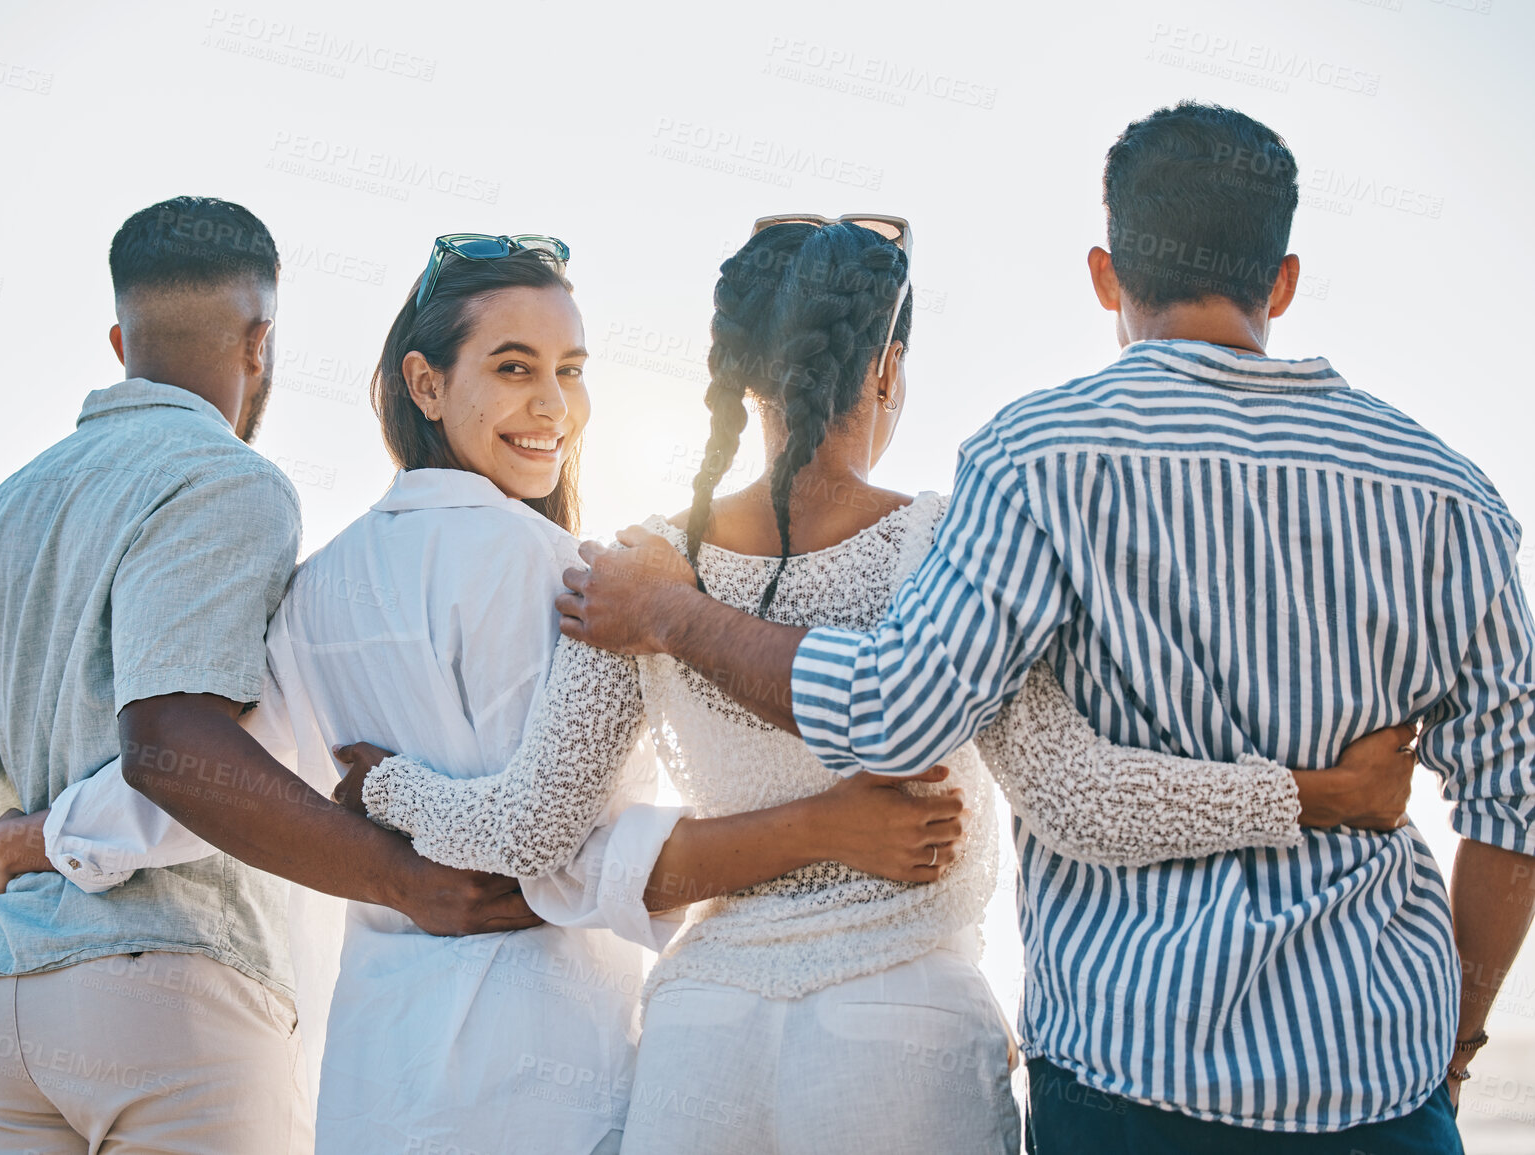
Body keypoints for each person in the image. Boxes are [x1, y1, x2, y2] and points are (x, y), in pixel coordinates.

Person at [560, 105, 1535, 1153]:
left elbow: (893, 717)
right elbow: (1515, 808)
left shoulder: (1036, 460)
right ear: (1282, 281)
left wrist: (670, 612)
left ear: (1105, 275)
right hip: (1374, 1081)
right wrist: (1457, 1038)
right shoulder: (1449, 495)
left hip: (1126, 1079)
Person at [349, 216, 1425, 1153]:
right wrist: (1310, 795)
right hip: (901, 1023)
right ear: (884, 370)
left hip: (701, 1040)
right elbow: (1077, 796)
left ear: (738, 372)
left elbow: (531, 829)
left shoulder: (639, 564)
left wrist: (386, 786)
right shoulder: (947, 545)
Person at [1, 235, 984, 1153]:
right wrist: (823, 827)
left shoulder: (316, 589)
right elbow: (569, 858)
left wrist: (45, 837)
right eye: (514, 368)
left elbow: (206, 781)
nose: (554, 406)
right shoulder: (583, 585)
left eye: (570, 370)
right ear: (425, 384)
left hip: (379, 1085)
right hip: (551, 1082)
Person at [0, 197, 531, 1153]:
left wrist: (21, 956)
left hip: (7, 1017)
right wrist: (404, 880)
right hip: (175, 996)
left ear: (121, 338)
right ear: (260, 340)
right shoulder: (226, 480)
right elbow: (173, 743)